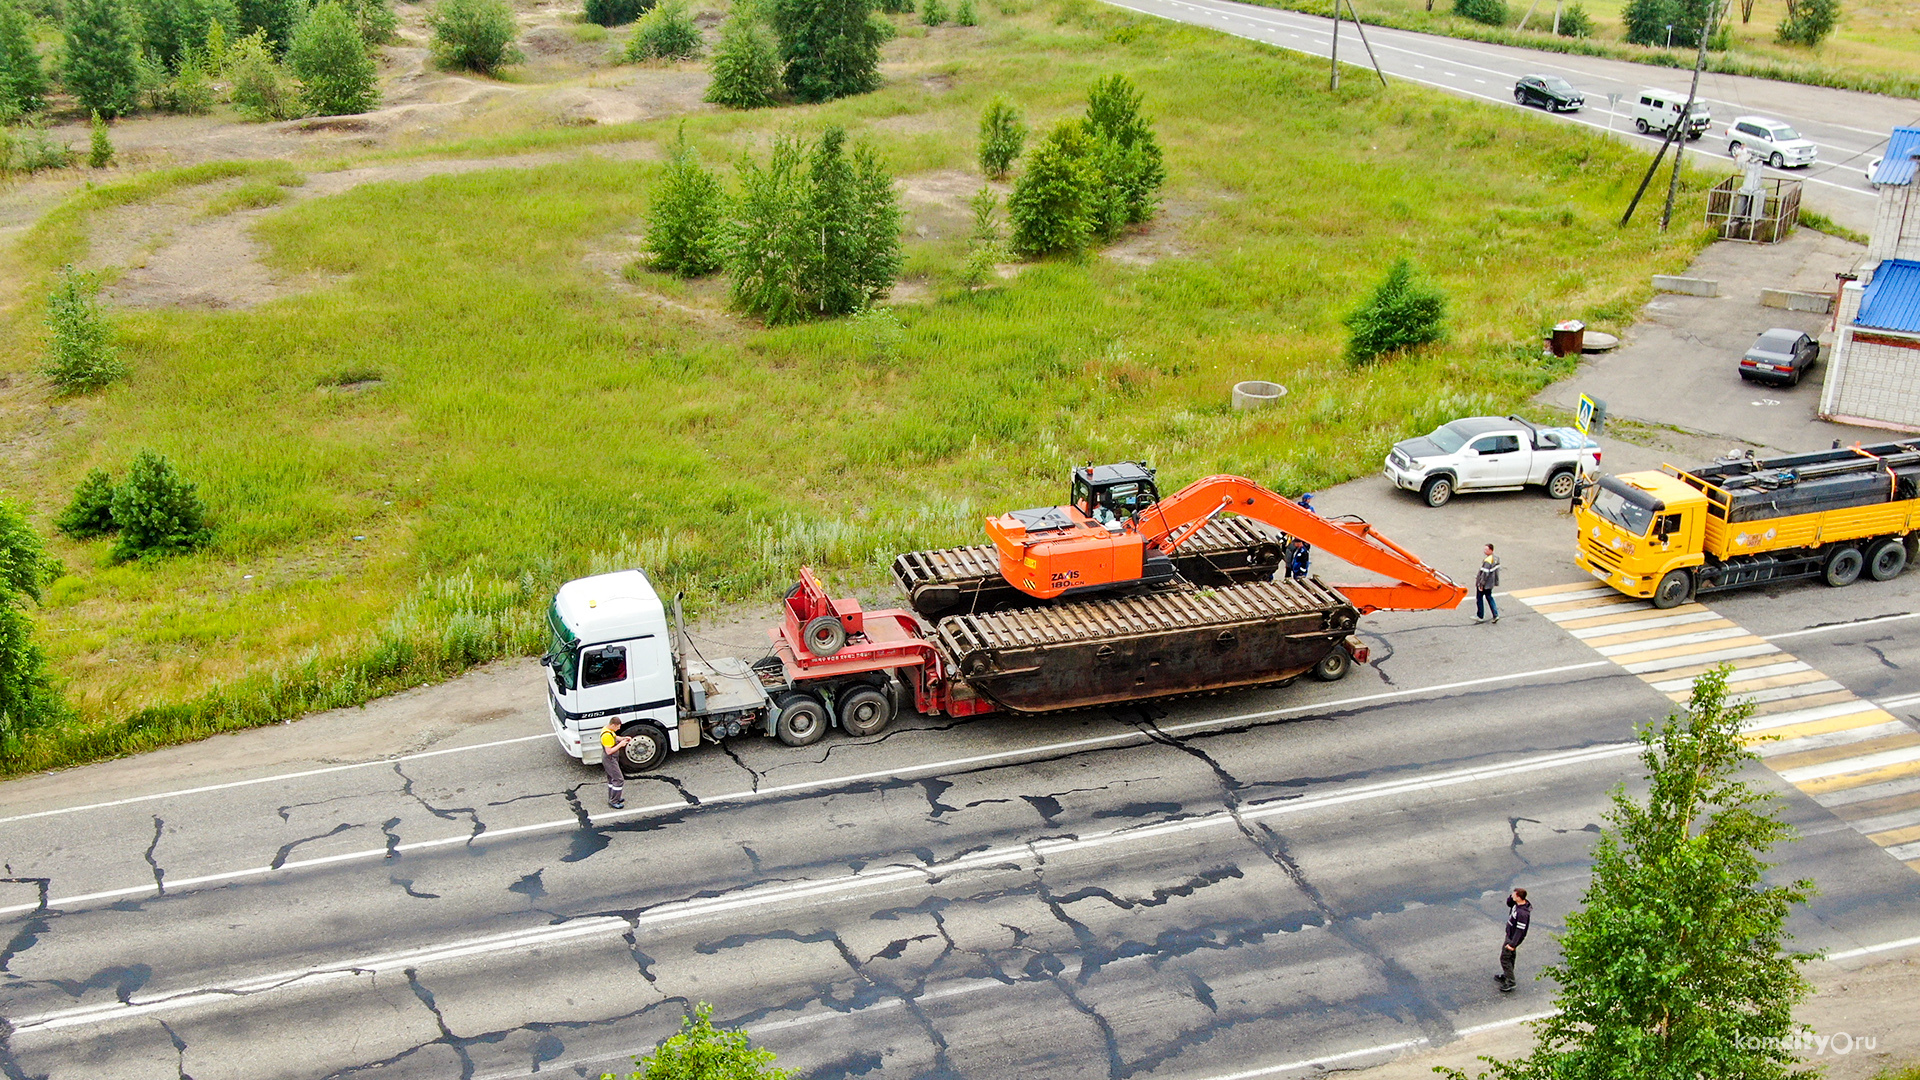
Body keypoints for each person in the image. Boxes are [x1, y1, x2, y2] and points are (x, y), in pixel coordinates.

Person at [1497, 887, 1531, 992]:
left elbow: (1520, 931)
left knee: (1505, 958)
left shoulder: (1523, 914)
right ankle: (1507, 975)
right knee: (1510, 957)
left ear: (1519, 897)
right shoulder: (1517, 904)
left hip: (1513, 938)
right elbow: (1509, 903)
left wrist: (1512, 944)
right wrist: (1511, 898)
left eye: (1514, 894)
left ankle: (1511, 982)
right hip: (1510, 934)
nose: (1512, 895)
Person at [600, 719, 631, 809]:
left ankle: (613, 796)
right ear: (613, 725)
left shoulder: (608, 730)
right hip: (610, 759)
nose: (619, 728)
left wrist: (623, 738)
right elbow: (609, 751)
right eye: (618, 726)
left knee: (611, 779)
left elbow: (615, 737)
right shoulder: (606, 736)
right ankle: (614, 801)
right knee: (619, 779)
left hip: (611, 759)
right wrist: (621, 744)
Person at [1475, 544, 1501, 624]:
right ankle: (1495, 614)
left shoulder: (1487, 561)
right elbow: (1496, 572)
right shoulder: (1496, 558)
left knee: (1479, 598)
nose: (1484, 551)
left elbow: (1485, 574)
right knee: (1489, 598)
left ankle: (1480, 616)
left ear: (1491, 550)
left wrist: (1481, 585)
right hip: (1491, 583)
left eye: (1486, 550)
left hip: (1485, 584)